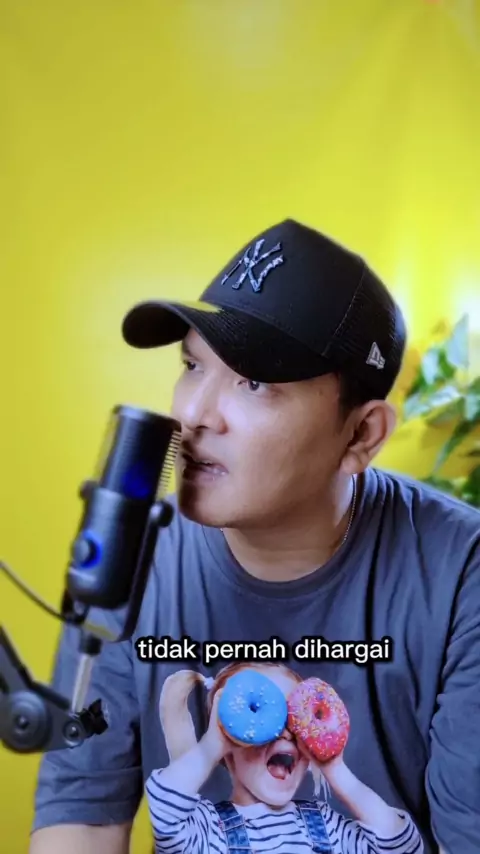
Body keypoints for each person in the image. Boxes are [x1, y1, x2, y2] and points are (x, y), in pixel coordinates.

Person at [29, 219, 480, 854]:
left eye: (253, 382)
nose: (192, 414)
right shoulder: (130, 550)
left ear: (361, 435)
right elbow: (81, 812)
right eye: (192, 365)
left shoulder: (461, 573)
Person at [146, 661, 424, 853]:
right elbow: (162, 817)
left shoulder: (325, 825)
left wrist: (334, 767)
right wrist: (212, 744)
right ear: (228, 746)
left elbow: (402, 846)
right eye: (265, 719)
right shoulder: (207, 829)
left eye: (295, 720)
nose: (286, 733)